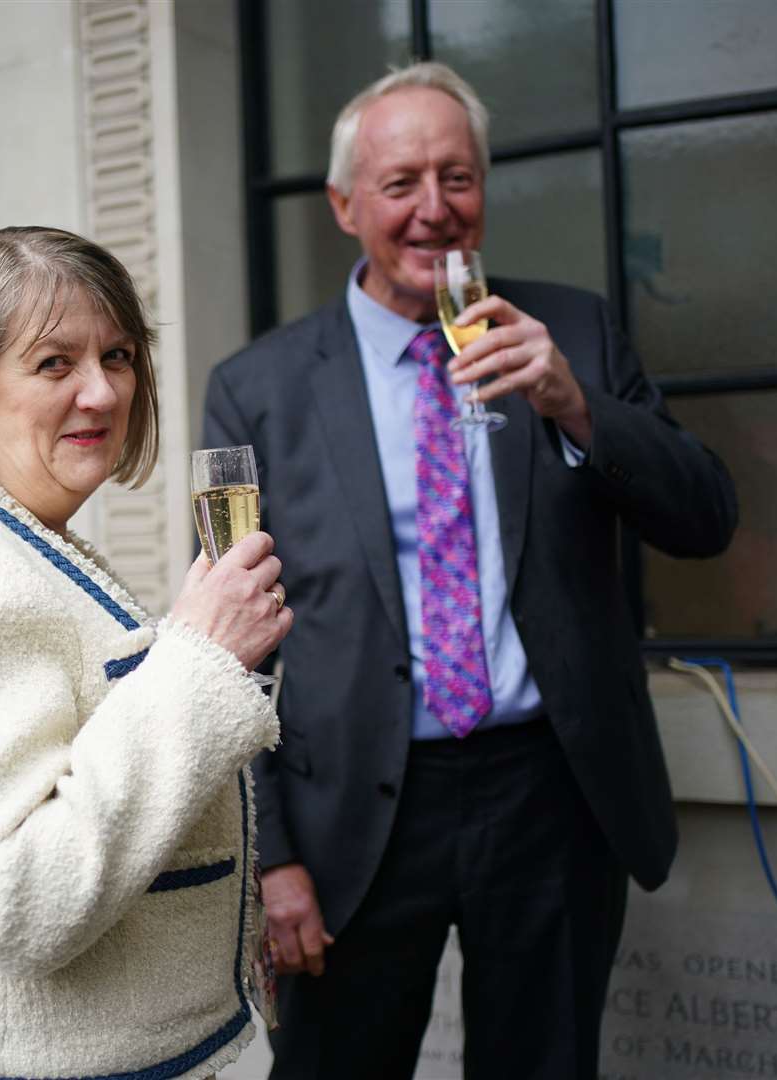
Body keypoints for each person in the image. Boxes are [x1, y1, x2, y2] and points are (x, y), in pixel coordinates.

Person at [202, 63, 738, 1078]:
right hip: (352, 813)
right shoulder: (256, 390)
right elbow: (233, 647)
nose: (434, 210)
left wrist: (580, 408)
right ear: (344, 204)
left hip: (550, 792)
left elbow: (707, 519)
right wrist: (270, 857)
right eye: (402, 182)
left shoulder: (572, 332)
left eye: (459, 177)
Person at [0, 226, 292, 1079]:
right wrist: (198, 663)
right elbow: (22, 893)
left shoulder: (12, 538)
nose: (101, 392)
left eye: (118, 356)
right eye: (53, 364)